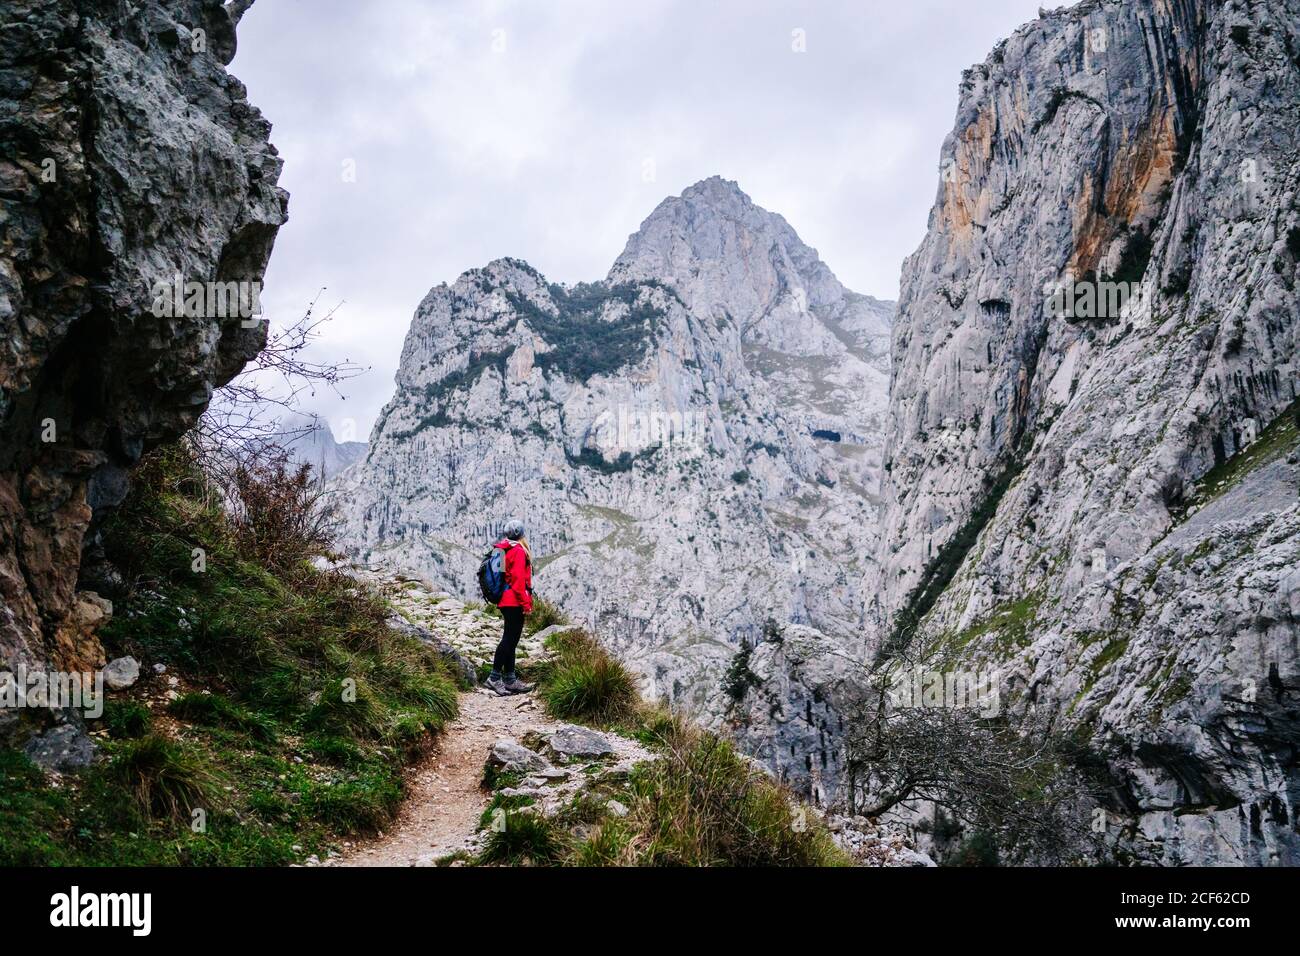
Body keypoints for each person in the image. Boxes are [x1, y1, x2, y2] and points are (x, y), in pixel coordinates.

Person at [486, 518, 535, 696]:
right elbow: (518, 582)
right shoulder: (519, 551)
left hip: (504, 600)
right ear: (521, 534)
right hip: (513, 601)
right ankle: (494, 677)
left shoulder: (503, 548)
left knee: (511, 640)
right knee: (509, 639)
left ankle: (510, 678)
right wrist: (526, 604)